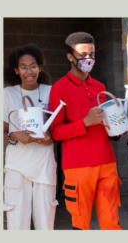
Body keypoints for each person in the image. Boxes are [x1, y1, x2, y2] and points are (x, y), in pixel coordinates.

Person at [48, 31, 122, 230]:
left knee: (112, 222)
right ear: (70, 57)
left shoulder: (100, 86)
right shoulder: (59, 88)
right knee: (81, 224)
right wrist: (85, 122)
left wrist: (117, 129)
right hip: (78, 165)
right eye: (82, 55)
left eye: (91, 54)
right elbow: (55, 132)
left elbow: (104, 124)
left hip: (107, 161)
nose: (88, 59)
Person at [3, 44, 57, 230]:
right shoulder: (8, 94)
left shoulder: (52, 92)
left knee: (45, 220)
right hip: (17, 165)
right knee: (17, 223)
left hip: (44, 162)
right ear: (16, 70)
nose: (29, 71)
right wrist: (15, 135)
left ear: (39, 67)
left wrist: (52, 137)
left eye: (33, 65)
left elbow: (60, 128)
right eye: (23, 67)